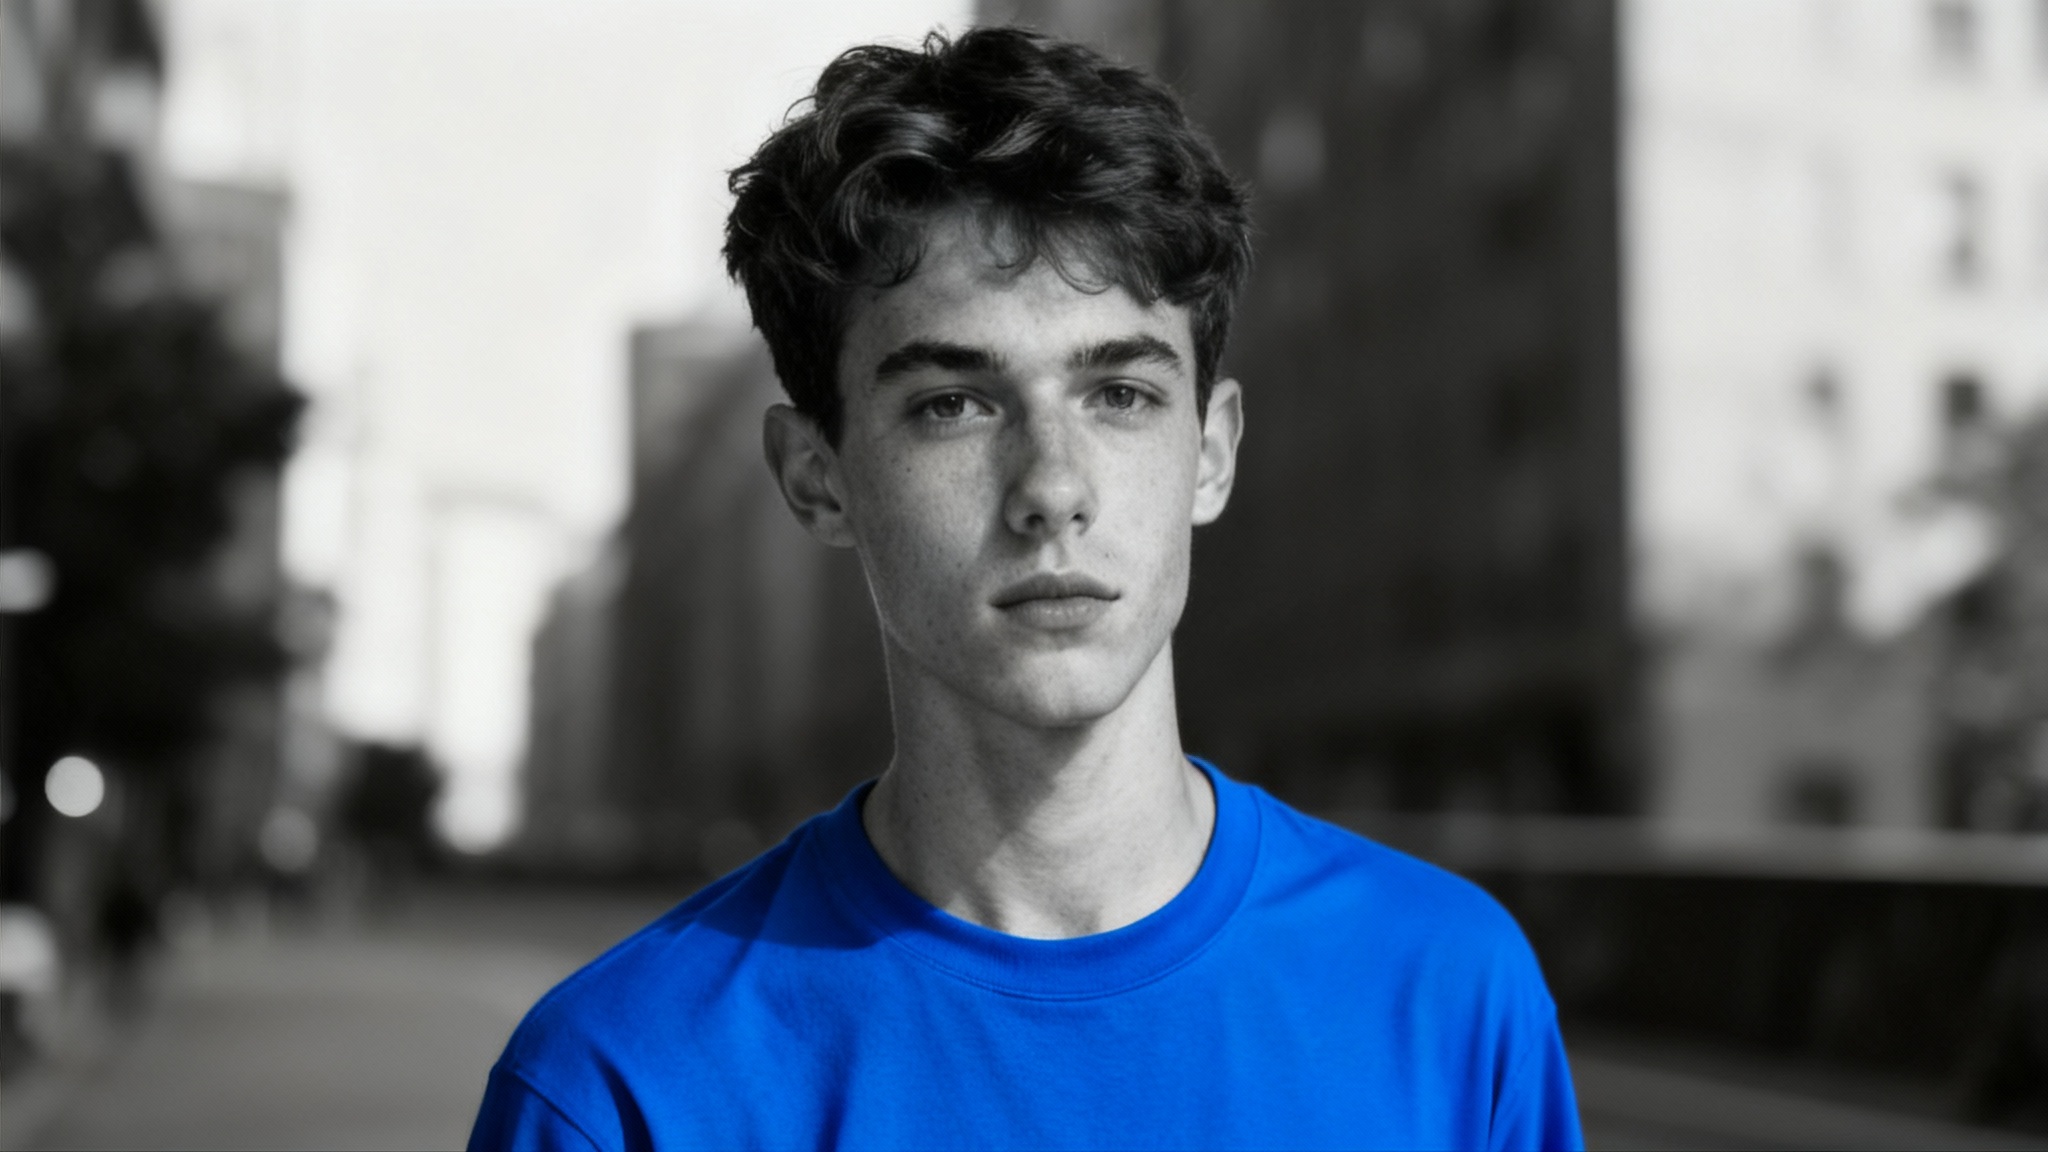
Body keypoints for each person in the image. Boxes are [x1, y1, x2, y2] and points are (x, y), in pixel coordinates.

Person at [470, 26, 1582, 1151]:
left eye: (1120, 396)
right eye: (952, 403)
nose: (1050, 489)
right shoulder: (623, 1085)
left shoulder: (1448, 998)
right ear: (817, 479)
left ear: (1212, 451)